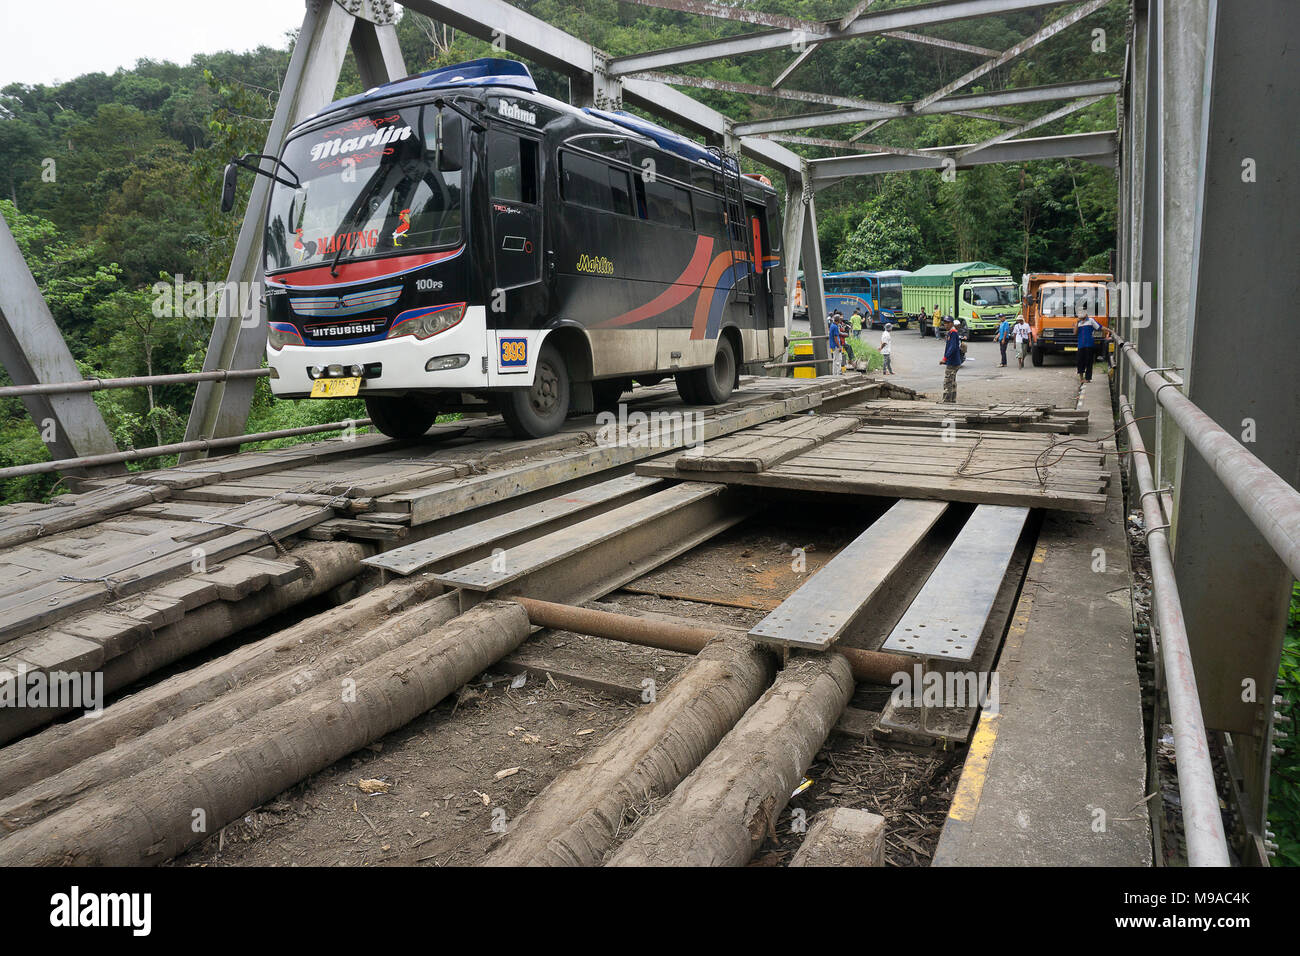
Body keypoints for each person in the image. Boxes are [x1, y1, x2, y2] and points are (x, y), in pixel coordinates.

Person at [1075, 314, 1106, 383]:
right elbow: (1075, 332)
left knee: (1089, 362)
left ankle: (1088, 378)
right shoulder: (1078, 323)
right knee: (1080, 362)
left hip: (1089, 344)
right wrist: (1077, 323)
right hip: (1081, 345)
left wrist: (1110, 331)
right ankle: (1081, 378)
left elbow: (1100, 327)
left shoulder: (1091, 320)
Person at [941, 318, 964, 402]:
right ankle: (952, 400)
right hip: (954, 361)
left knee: (948, 382)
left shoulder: (953, 333)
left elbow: (952, 347)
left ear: (951, 323)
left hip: (952, 361)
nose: (945, 325)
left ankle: (946, 401)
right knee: (952, 381)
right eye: (944, 323)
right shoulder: (951, 332)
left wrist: (945, 358)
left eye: (947, 323)